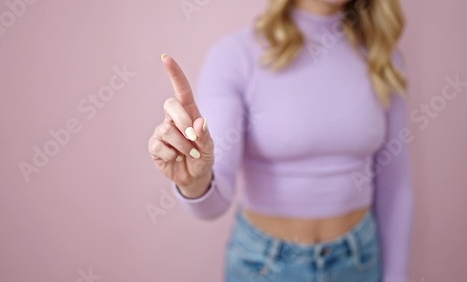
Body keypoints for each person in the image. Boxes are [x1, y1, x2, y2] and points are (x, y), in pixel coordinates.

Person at [148, 0, 414, 281]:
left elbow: (395, 189)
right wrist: (194, 182)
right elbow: (214, 203)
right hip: (264, 266)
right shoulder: (234, 56)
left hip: (359, 261)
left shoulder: (383, 58)